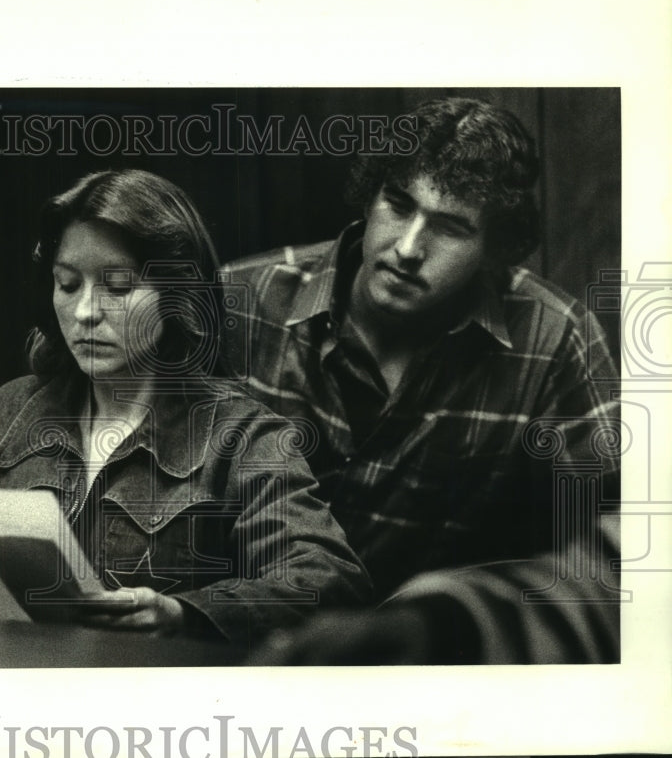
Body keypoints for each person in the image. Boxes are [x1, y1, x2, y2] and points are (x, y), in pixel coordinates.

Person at [0, 169, 371, 645]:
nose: (85, 312)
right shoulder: (0, 414)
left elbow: (330, 582)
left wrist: (185, 613)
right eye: (67, 283)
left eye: (118, 286)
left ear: (179, 295)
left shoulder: (245, 439)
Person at [222, 97, 621, 663]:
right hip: (228, 657)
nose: (408, 248)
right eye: (398, 204)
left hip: (422, 669)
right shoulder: (240, 302)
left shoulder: (553, 338)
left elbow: (624, 539)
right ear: (370, 195)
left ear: (495, 250)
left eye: (451, 228)